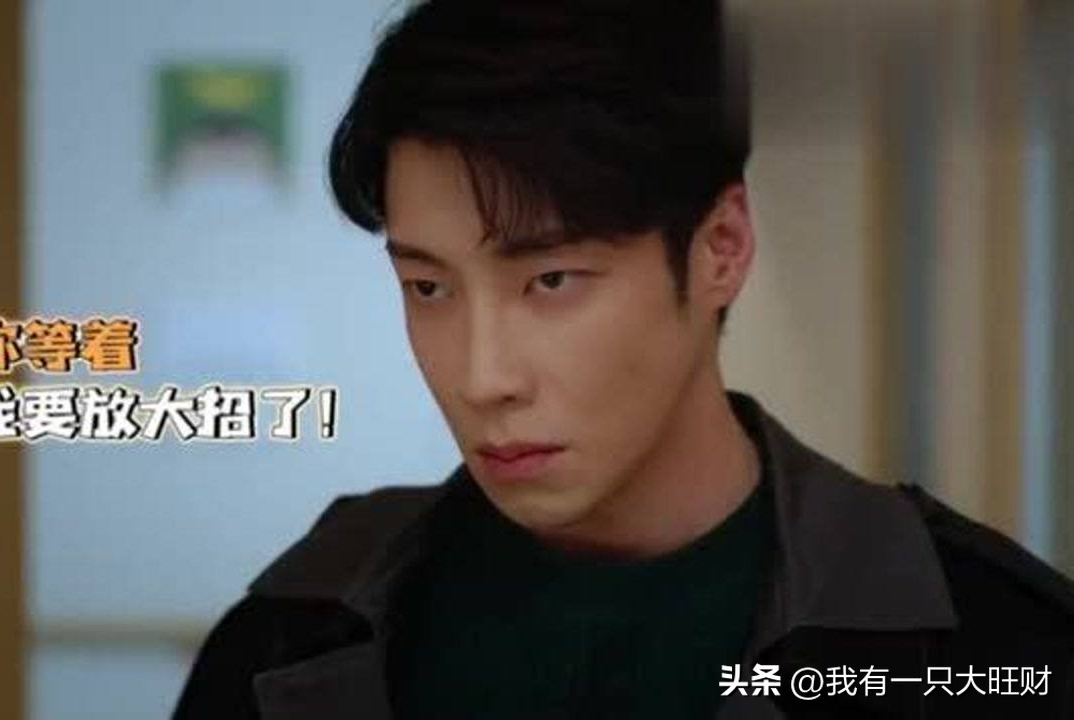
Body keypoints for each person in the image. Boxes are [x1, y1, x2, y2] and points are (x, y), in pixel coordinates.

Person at [173, 1, 1074, 717]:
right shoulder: (291, 634)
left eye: (552, 280)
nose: (484, 378)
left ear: (720, 248)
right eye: (429, 287)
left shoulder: (988, 642)